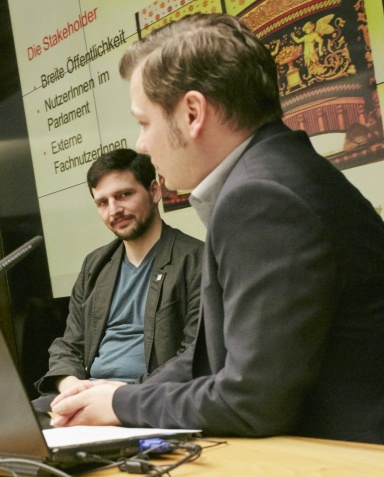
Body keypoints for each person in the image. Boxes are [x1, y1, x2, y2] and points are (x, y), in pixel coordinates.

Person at [51, 13, 384, 445]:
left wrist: (121, 406)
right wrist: (122, 394)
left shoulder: (262, 198)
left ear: (192, 112)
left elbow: (252, 401)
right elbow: (211, 357)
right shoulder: (276, 173)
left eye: (145, 122)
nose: (140, 144)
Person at [34, 149, 202, 404]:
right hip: (87, 394)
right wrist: (70, 384)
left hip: (148, 399)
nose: (114, 210)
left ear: (154, 191)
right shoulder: (95, 265)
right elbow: (69, 345)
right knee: (15, 427)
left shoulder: (195, 259)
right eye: (103, 202)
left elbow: (194, 354)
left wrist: (121, 394)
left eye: (124, 195)